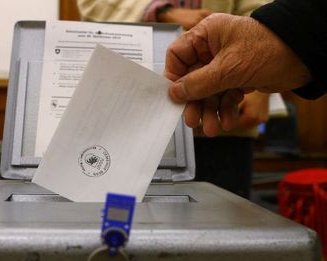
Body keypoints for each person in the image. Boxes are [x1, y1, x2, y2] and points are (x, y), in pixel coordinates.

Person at [77, 0, 272, 198]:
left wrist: (259, 70)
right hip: (132, 113)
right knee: (120, 217)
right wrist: (160, 11)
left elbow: (258, 7)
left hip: (223, 117)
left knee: (223, 220)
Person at [165, 0, 327, 135]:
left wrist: (260, 92)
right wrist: (164, 11)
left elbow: (256, 10)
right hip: (164, 123)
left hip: (231, 117)